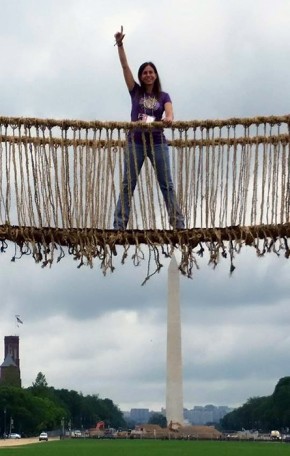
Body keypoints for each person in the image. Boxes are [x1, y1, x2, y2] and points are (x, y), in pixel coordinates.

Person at [113, 26, 185, 230]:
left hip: (157, 143)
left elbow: (170, 112)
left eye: (151, 72)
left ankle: (178, 225)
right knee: (128, 185)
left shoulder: (164, 96)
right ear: (141, 76)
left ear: (155, 75)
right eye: (144, 72)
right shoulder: (135, 92)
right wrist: (120, 45)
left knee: (167, 185)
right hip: (135, 143)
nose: (148, 75)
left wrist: (169, 118)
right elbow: (125, 67)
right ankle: (119, 225)